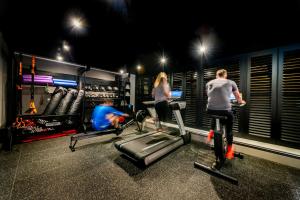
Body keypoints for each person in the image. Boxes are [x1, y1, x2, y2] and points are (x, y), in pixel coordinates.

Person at [206, 69, 246, 159]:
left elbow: (211, 96)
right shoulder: (231, 82)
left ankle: (211, 131)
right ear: (225, 75)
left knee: (215, 113)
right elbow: (238, 98)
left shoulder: (209, 83)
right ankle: (229, 150)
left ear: (216, 75)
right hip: (224, 110)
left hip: (209, 110)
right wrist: (241, 101)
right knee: (229, 129)